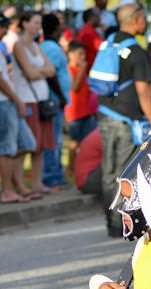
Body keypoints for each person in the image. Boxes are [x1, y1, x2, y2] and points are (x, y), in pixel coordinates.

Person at [96, 3, 151, 236]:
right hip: (126, 120)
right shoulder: (137, 51)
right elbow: (143, 91)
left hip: (105, 115)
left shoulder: (109, 42)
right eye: (144, 18)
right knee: (125, 172)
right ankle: (124, 222)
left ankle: (111, 223)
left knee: (109, 170)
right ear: (137, 18)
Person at [12, 11, 56, 198]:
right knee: (27, 144)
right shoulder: (19, 45)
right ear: (25, 23)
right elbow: (30, 73)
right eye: (36, 22)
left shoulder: (36, 46)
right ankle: (20, 184)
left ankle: (37, 183)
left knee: (41, 144)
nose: (39, 26)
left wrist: (39, 71)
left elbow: (51, 70)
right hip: (27, 98)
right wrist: (41, 71)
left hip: (42, 98)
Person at [0, 11, 36, 203]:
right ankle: (7, 190)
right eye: (2, 26)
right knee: (7, 148)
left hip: (9, 101)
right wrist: (18, 100)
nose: (5, 30)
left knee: (26, 143)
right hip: (4, 102)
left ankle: (17, 185)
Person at [40, 13, 71, 190]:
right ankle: (52, 178)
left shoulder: (45, 46)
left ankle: (56, 177)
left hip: (53, 100)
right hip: (53, 101)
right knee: (54, 141)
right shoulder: (51, 47)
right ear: (55, 29)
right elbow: (50, 73)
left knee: (55, 140)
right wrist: (60, 95)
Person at [65, 41, 97, 177]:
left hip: (86, 110)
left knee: (86, 142)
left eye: (84, 54)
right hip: (74, 112)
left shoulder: (81, 70)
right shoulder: (69, 69)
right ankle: (70, 169)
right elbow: (74, 86)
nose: (83, 57)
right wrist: (82, 69)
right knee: (74, 142)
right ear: (71, 54)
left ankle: (82, 167)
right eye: (80, 54)